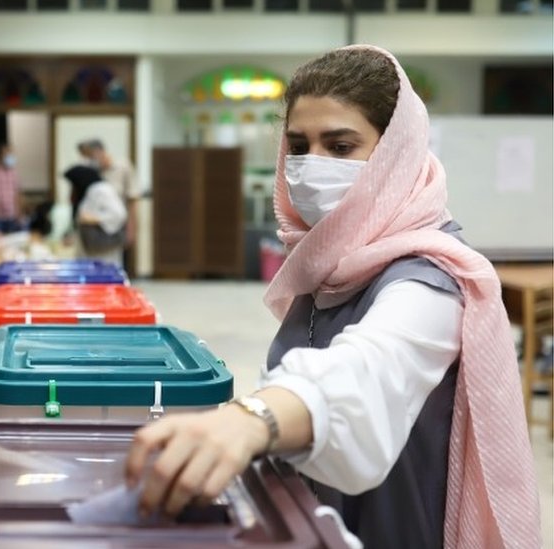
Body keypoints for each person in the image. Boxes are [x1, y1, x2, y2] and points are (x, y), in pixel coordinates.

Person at [124, 45, 541, 549]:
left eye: (341, 147)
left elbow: (369, 370)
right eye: (298, 146)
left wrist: (252, 420)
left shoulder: (431, 277)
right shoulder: (330, 263)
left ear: (395, 153)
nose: (309, 166)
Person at [78, 138, 141, 258]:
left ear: (98, 152)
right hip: (96, 229)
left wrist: (132, 230)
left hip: (118, 222)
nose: (87, 160)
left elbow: (132, 200)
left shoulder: (123, 167)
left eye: (89, 156)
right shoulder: (93, 172)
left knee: (118, 258)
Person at [64, 164, 127, 267]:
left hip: (103, 250)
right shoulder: (89, 191)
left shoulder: (101, 189)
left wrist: (94, 219)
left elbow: (119, 214)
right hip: (90, 250)